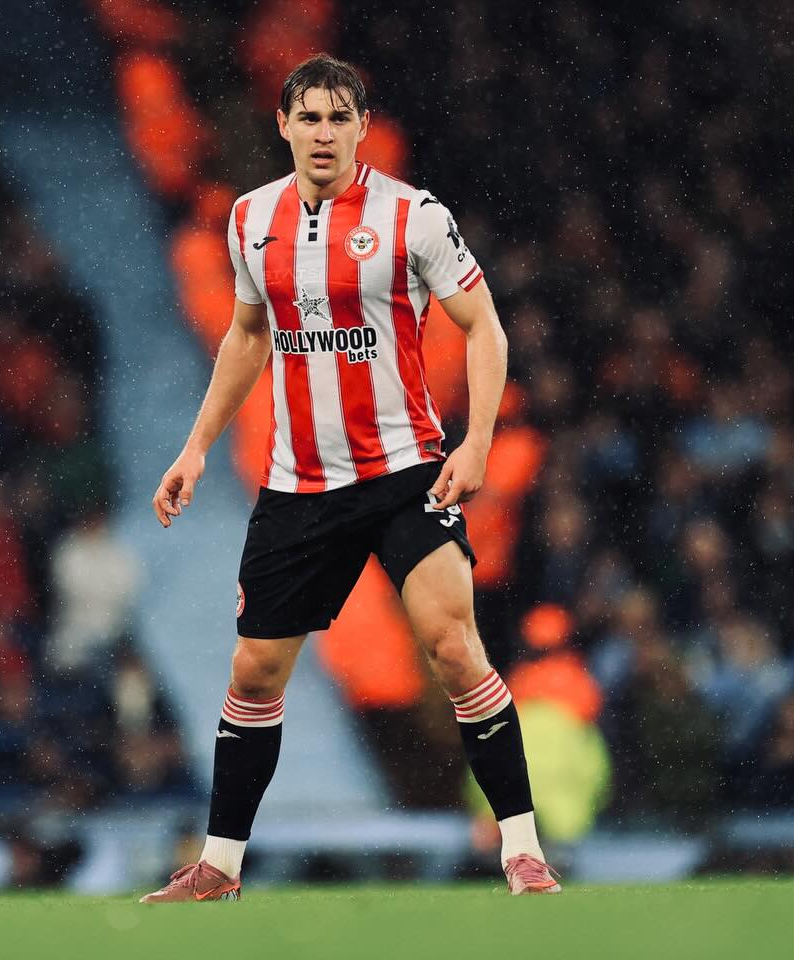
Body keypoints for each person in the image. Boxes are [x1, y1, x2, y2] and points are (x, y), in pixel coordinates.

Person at [143, 54, 559, 901]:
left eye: (340, 117)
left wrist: (478, 441)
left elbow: (483, 327)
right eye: (310, 117)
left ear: (363, 127)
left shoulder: (413, 216)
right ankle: (220, 866)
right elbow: (246, 338)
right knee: (254, 674)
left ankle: (522, 850)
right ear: (284, 126)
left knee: (455, 649)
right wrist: (195, 448)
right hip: (300, 485)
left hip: (404, 475)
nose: (324, 133)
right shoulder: (251, 218)